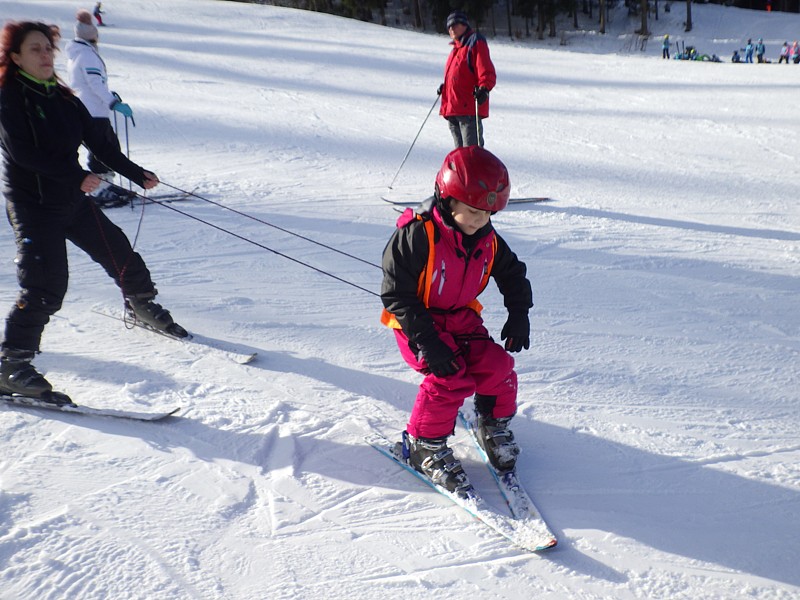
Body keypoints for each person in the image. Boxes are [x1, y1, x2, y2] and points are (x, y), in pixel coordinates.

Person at [0, 21, 185, 404]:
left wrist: (137, 175)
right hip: (33, 205)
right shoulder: (9, 98)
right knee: (45, 285)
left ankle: (141, 305)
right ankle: (10, 364)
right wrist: (76, 175)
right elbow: (23, 154)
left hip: (71, 200)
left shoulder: (66, 100)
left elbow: (102, 146)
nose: (46, 55)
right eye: (35, 49)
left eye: (48, 48)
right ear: (15, 57)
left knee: (120, 254)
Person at [380, 146, 533, 496]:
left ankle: (491, 420)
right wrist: (429, 342)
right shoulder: (418, 236)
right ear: (448, 200)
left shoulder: (487, 240)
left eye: (487, 213)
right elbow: (396, 295)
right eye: (472, 211)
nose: (480, 220)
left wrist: (519, 312)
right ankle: (424, 445)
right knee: (448, 376)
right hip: (416, 322)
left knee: (498, 367)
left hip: (461, 318)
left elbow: (512, 274)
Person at [66, 10, 136, 208]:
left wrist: (110, 96)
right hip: (93, 111)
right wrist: (114, 103)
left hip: (91, 108)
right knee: (104, 149)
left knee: (109, 146)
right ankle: (99, 189)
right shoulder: (87, 54)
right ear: (92, 35)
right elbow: (95, 84)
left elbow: (90, 84)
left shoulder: (78, 53)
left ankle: (106, 185)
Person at [437, 10, 496, 149]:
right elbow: (458, 76)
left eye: (454, 24)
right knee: (459, 157)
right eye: (449, 27)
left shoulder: (475, 41)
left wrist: (484, 89)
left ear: (464, 24)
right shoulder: (456, 49)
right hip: (453, 110)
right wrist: (445, 88)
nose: (451, 28)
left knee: (472, 154)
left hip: (468, 110)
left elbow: (486, 70)